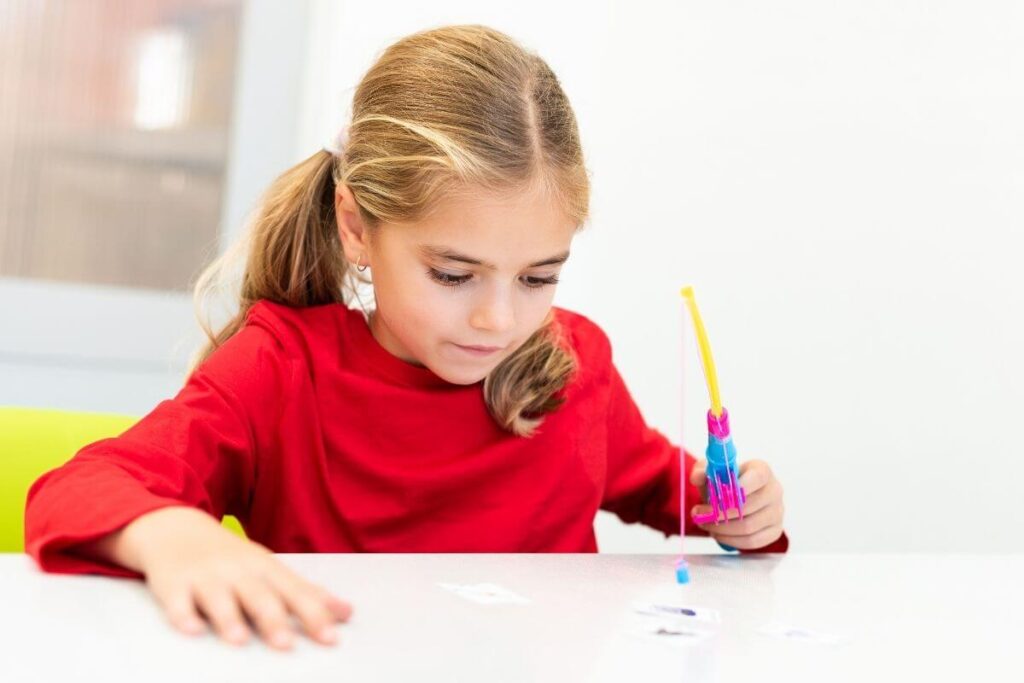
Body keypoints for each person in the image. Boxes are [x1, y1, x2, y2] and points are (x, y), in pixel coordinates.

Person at [24, 24, 787, 651]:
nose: (499, 319)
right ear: (357, 226)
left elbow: (678, 494)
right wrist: (179, 540)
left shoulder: (573, 362)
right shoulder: (281, 367)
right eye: (454, 275)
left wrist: (739, 509)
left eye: (537, 277)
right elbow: (78, 490)